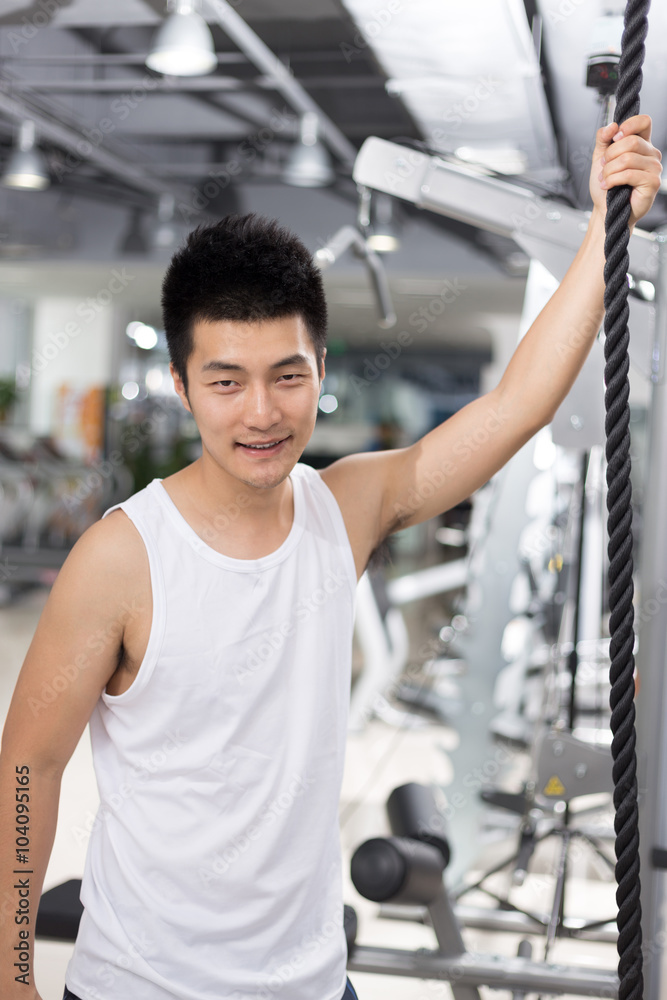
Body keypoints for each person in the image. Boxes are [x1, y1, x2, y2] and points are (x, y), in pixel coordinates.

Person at [0, 115, 661, 1000]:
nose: (261, 413)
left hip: (314, 985)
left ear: (321, 368)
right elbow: (26, 769)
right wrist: (10, 976)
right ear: (184, 386)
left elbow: (515, 409)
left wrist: (602, 231)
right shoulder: (121, 557)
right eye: (226, 382)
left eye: (288, 375)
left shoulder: (344, 507)